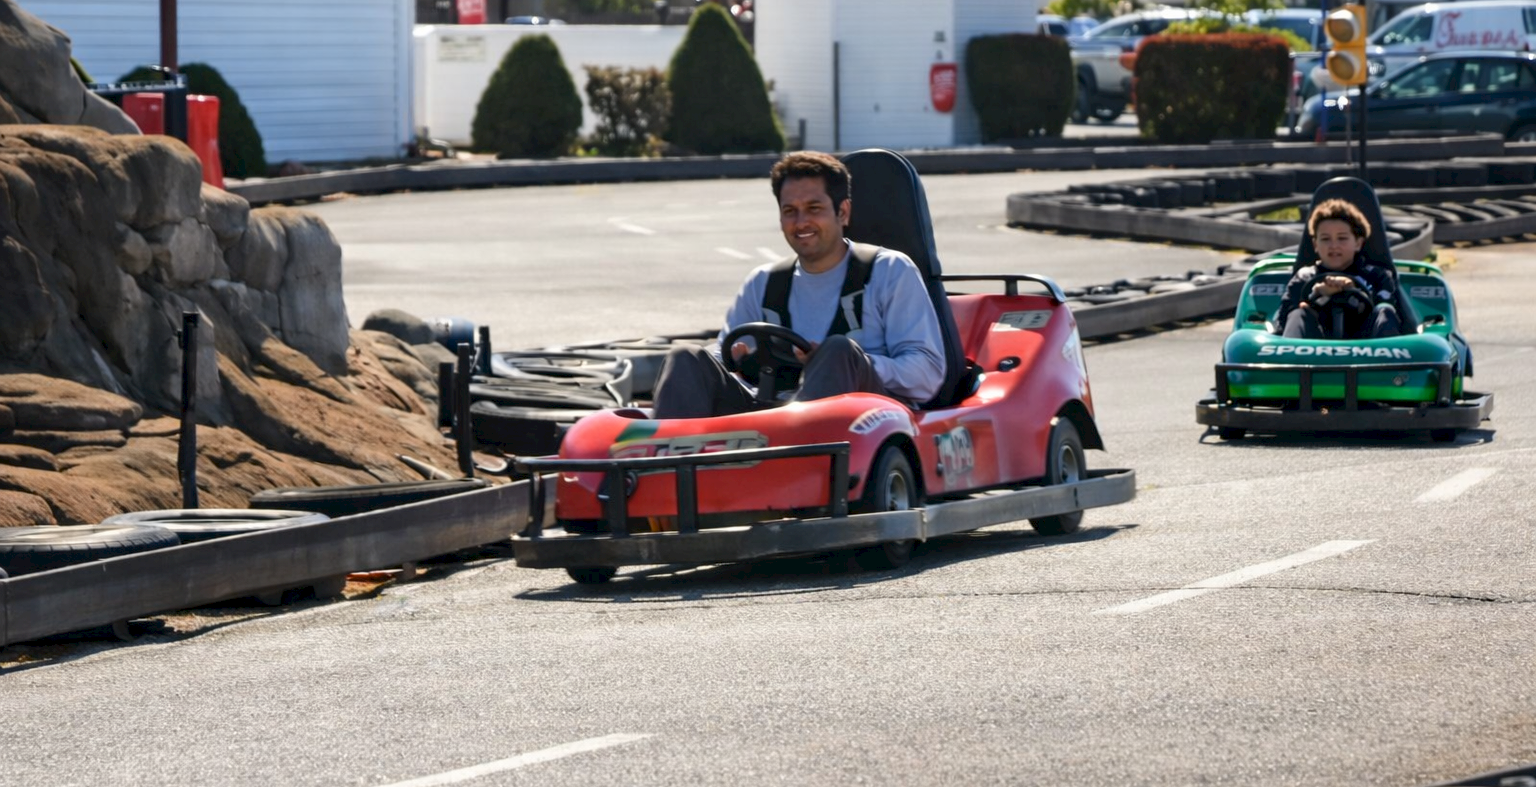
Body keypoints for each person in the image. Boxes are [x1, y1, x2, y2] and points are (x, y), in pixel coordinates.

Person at [651, 151, 946, 419]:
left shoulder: (889, 271)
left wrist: (854, 364)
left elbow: (928, 374)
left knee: (839, 351)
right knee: (686, 357)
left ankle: (807, 461)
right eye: (790, 211)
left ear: (842, 212)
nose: (801, 222)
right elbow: (723, 356)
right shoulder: (763, 283)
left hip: (867, 420)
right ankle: (664, 469)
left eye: (814, 208)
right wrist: (735, 360)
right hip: (774, 415)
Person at [1275, 198, 1403, 340]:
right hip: (1313, 348)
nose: (1333, 245)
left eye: (1341, 238)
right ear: (1315, 244)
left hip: (1367, 347)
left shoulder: (1377, 276)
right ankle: (1290, 361)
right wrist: (1317, 295)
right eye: (1325, 239)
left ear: (1358, 243)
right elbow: (1282, 323)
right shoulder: (1304, 277)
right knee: (1297, 313)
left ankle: (1389, 361)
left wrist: (1353, 290)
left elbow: (1387, 311)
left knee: (1385, 311)